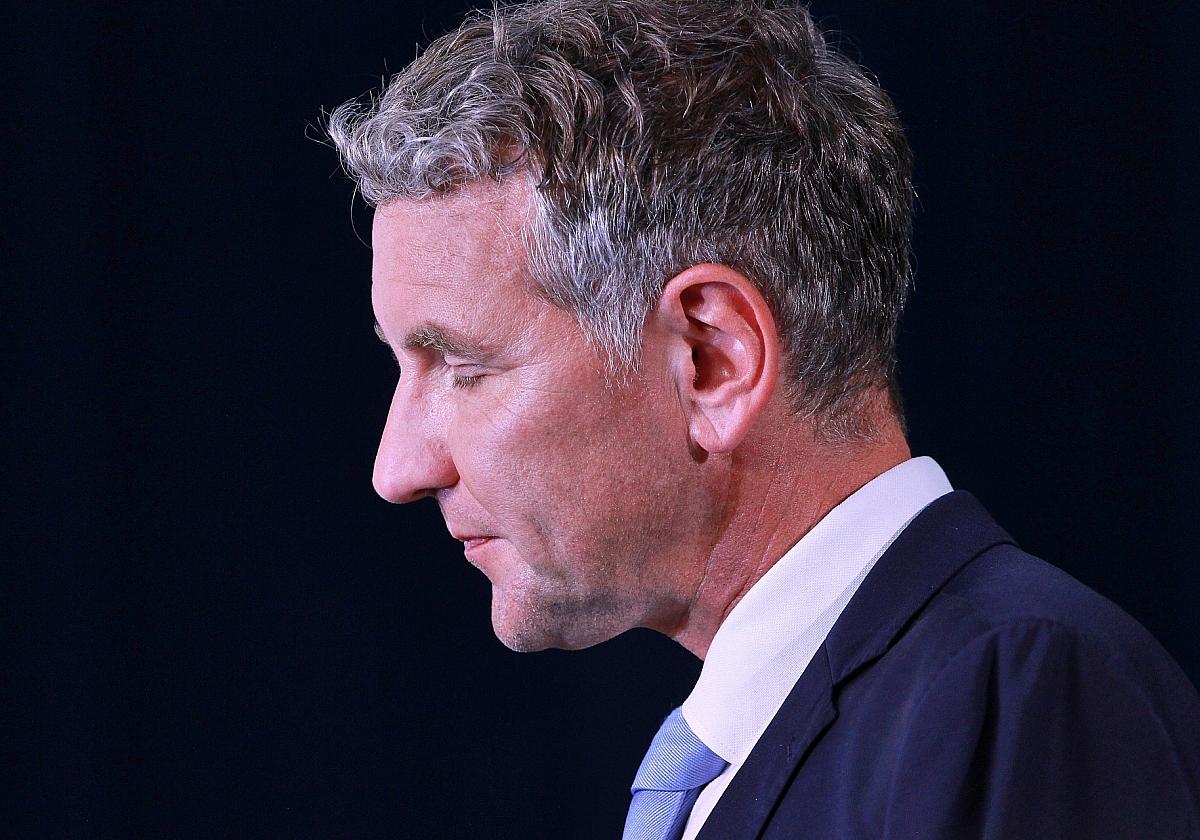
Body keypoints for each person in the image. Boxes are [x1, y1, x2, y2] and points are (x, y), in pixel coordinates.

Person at [326, 1, 1200, 837]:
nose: (397, 469)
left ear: (712, 361)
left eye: (466, 370)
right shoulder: (795, 736)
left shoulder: (1017, 697)